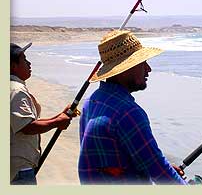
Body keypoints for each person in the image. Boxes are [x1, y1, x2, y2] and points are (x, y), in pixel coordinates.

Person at [78, 30, 187, 185]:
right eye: (142, 63)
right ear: (124, 70)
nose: (148, 69)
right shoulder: (127, 113)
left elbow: (113, 161)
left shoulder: (92, 101)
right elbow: (158, 170)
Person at [10, 42, 73, 185]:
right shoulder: (16, 90)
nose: (29, 63)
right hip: (20, 170)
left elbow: (25, 122)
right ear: (13, 66)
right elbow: (27, 127)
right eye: (24, 59)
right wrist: (56, 122)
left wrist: (59, 116)